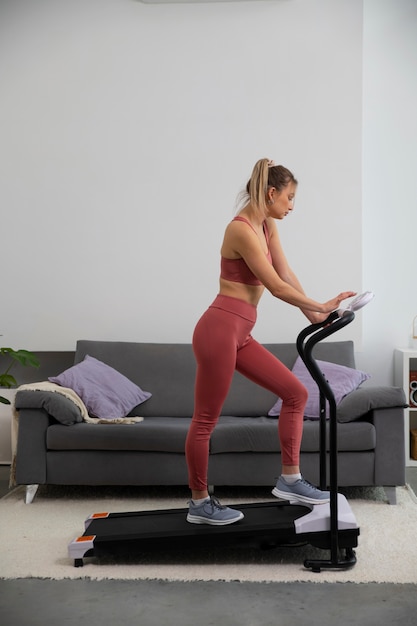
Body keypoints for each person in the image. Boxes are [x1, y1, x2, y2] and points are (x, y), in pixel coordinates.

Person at [185, 158, 356, 526]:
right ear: (271, 193)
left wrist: (314, 315)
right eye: (290, 198)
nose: (292, 205)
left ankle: (290, 480)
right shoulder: (242, 229)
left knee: (296, 393)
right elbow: (276, 289)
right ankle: (199, 502)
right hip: (218, 331)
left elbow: (285, 273)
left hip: (241, 334)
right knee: (204, 421)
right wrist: (322, 304)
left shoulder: (267, 226)